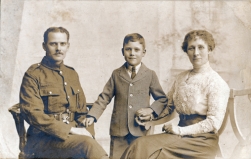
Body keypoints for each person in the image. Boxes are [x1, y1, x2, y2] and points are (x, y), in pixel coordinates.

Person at [121, 30, 230, 159]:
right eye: (191, 48)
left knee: (146, 149)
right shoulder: (181, 78)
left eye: (201, 47)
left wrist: (179, 130)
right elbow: (169, 107)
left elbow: (213, 123)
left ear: (209, 49)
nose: (196, 53)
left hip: (201, 142)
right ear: (186, 51)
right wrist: (150, 116)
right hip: (179, 136)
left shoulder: (216, 82)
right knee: (139, 144)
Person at [19, 27, 108, 159]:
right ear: (44, 46)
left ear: (68, 46)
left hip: (71, 139)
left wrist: (87, 132)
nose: (58, 48)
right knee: (87, 145)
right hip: (42, 141)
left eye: (62, 44)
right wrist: (71, 130)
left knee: (89, 144)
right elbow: (34, 114)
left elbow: (81, 112)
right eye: (53, 44)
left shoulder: (71, 74)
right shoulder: (33, 75)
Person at [83, 33, 168, 159]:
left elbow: (162, 99)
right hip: (119, 130)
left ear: (144, 52)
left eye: (136, 50)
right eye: (128, 49)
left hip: (141, 130)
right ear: (122, 51)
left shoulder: (150, 75)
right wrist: (92, 115)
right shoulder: (116, 74)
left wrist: (151, 110)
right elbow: (104, 97)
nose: (132, 53)